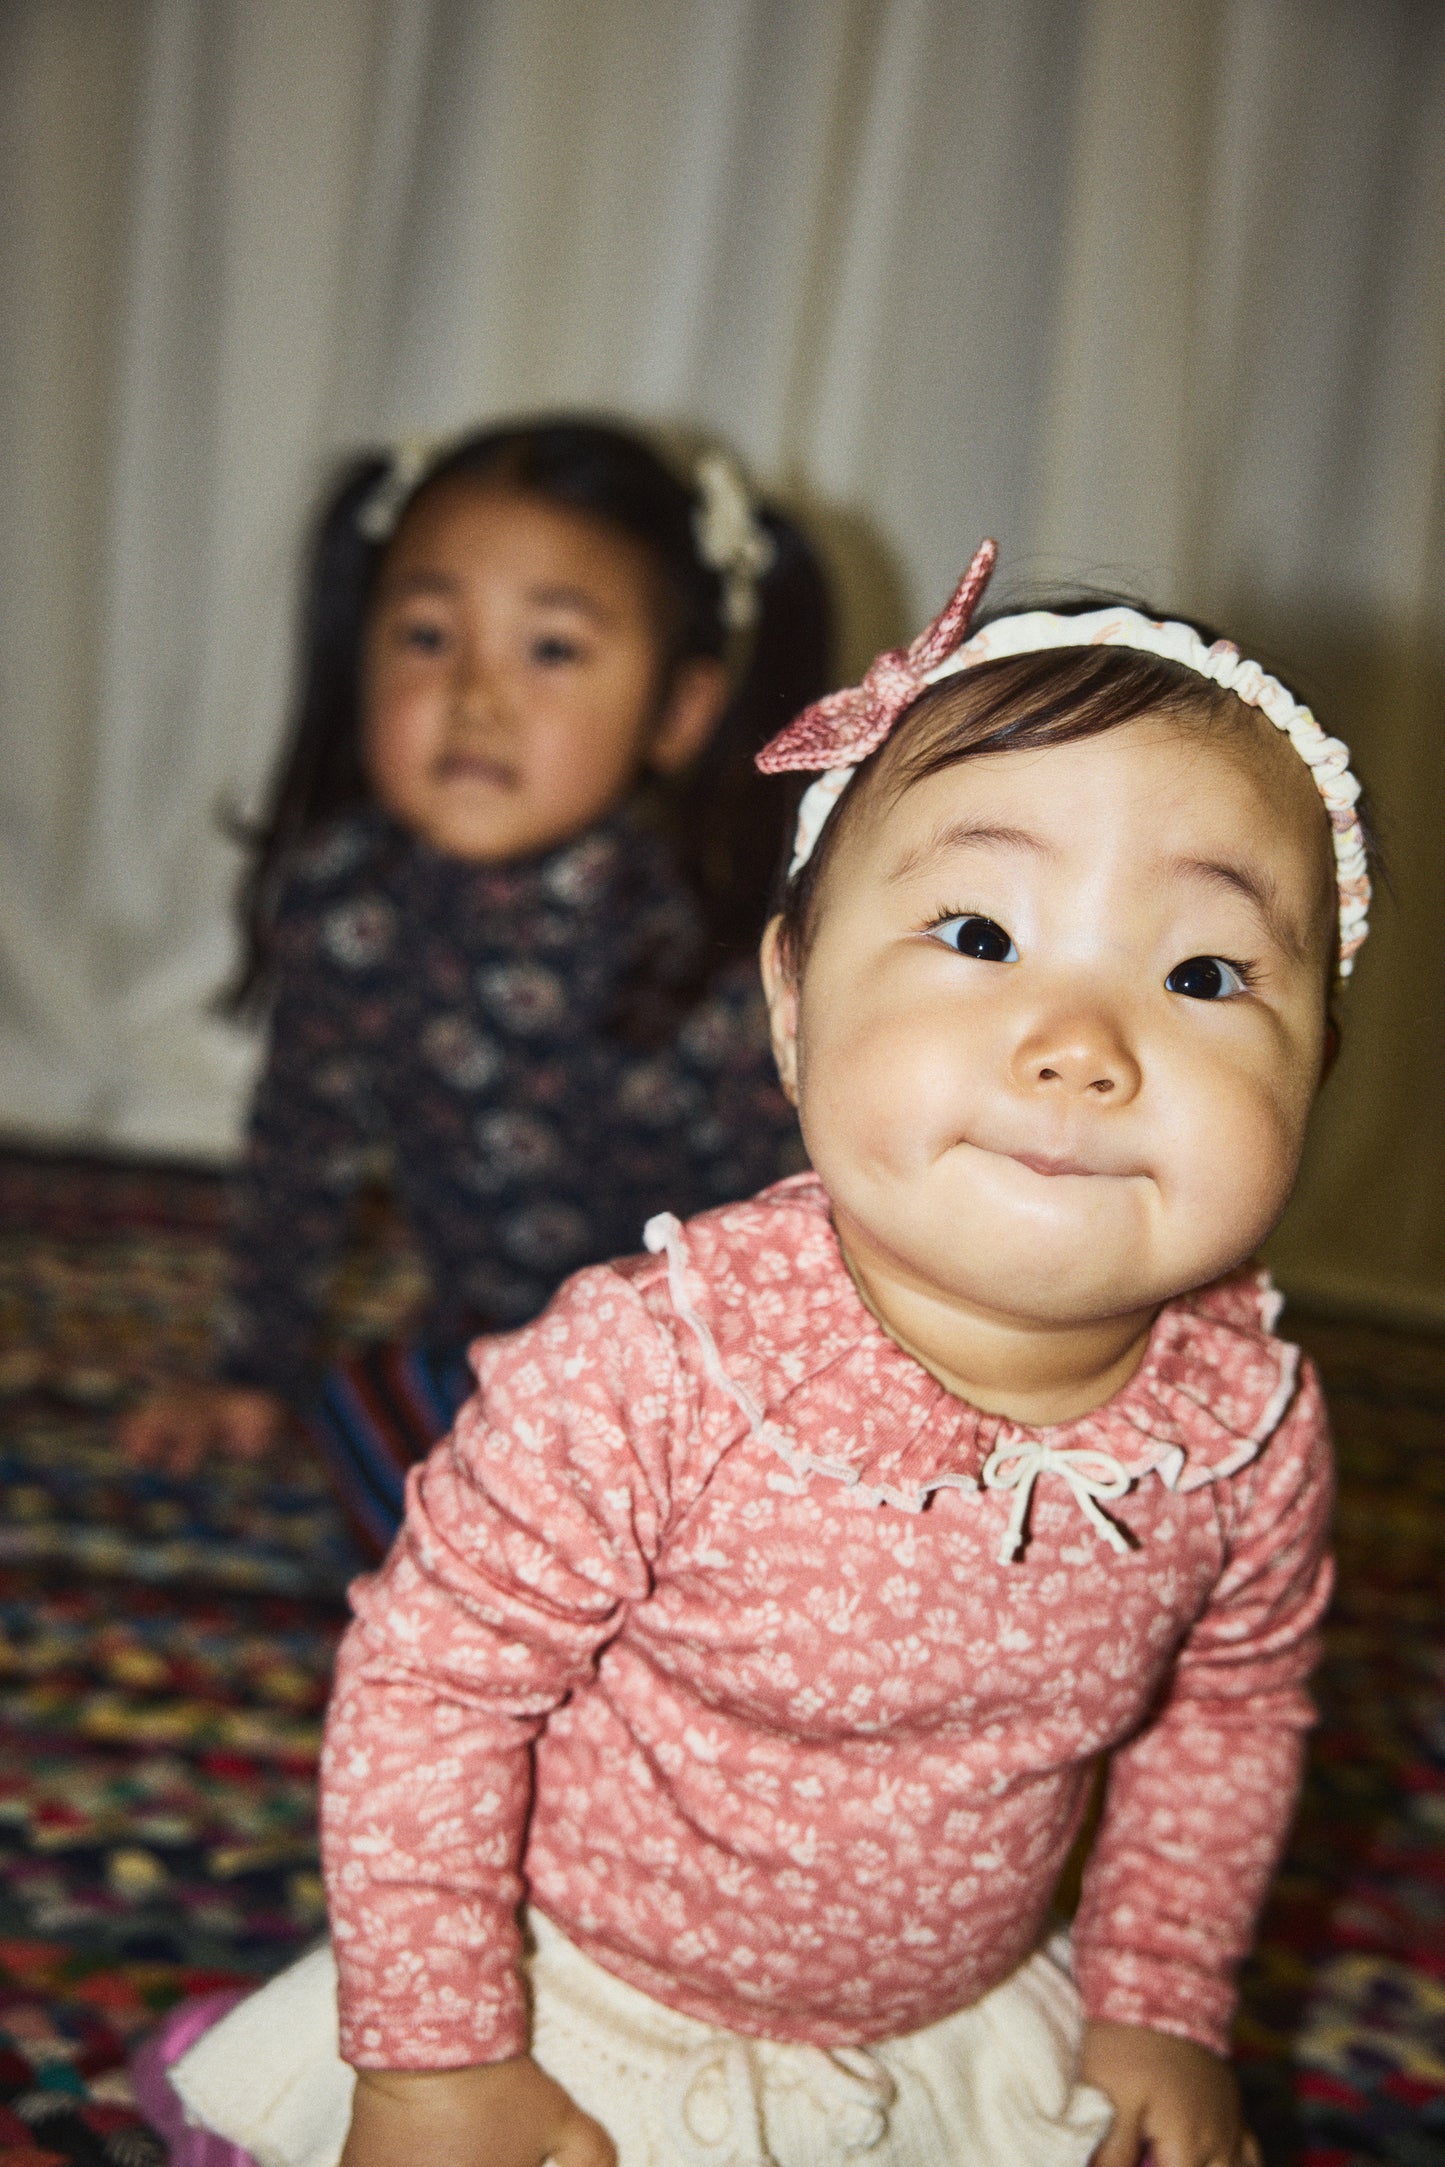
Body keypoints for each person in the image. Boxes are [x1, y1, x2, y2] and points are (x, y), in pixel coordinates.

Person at [138, 539, 1371, 2167]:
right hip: (585, 1999)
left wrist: (1159, 1997)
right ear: (791, 1007)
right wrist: (437, 2058)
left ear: (1319, 1065)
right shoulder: (656, 1367)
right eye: (982, 935)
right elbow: (431, 1689)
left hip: (952, 2010)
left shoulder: (1246, 1423)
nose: (1083, 1044)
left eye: (1204, 971)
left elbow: (1231, 1712)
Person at [120, 416, 832, 1550]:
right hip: (493, 1344)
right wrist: (249, 1371)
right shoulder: (347, 901)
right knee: (366, 1405)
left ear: (678, 709)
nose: (474, 695)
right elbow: (298, 1148)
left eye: (549, 648)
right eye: (424, 635)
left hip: (703, 1362)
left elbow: (792, 1216)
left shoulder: (704, 941)